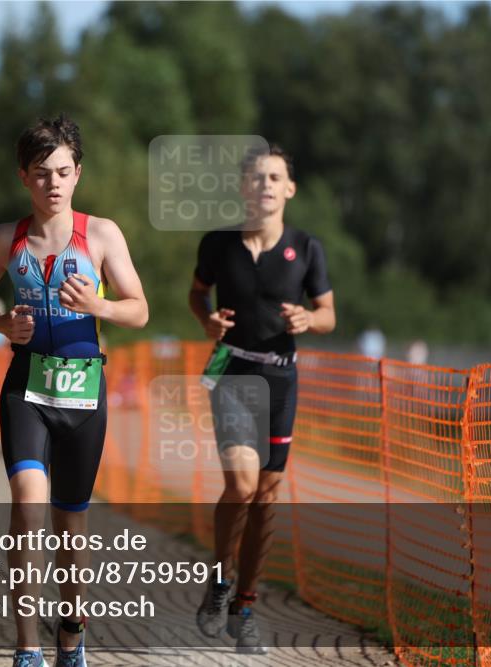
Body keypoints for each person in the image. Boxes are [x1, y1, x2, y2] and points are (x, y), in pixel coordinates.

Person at [0, 114, 148, 667]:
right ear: (24, 176)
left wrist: (99, 307)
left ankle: (72, 632)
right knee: (28, 506)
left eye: (63, 172)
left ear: (78, 173)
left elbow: (139, 309)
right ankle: (26, 646)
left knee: (71, 524)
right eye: (42, 173)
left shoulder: (103, 234)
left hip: (84, 391)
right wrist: (0, 325)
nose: (54, 183)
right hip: (27, 388)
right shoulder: (5, 239)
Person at [189, 144, 335, 654]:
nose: (266, 185)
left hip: (281, 378)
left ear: (289, 189)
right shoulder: (218, 244)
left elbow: (328, 314)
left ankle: (245, 605)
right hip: (230, 366)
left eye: (275, 177)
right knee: (242, 485)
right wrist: (205, 319)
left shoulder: (306, 247)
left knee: (267, 494)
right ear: (243, 188)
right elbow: (196, 294)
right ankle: (219, 580)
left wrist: (308, 320)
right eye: (257, 177)